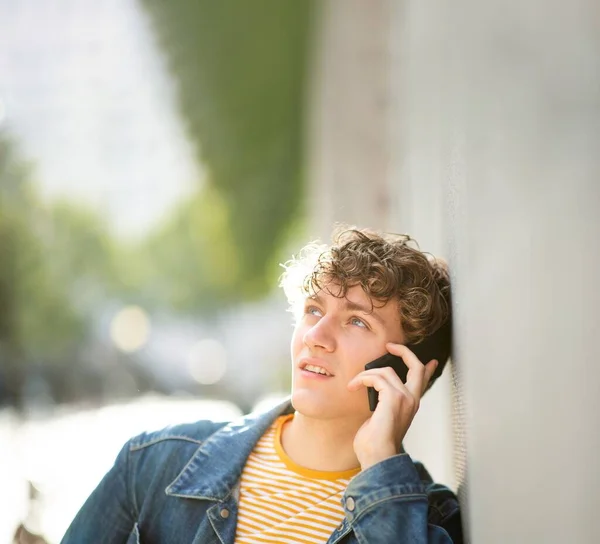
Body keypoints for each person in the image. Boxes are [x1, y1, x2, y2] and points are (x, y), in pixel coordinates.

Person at [61, 226, 463, 543]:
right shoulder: (150, 466)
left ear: (405, 370)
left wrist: (381, 462)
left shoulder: (431, 521)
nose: (316, 335)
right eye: (312, 309)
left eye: (357, 320)